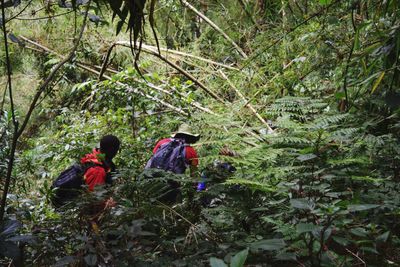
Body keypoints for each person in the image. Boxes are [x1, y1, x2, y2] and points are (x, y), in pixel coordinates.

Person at [51, 135, 120, 207]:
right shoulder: (98, 171)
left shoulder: (93, 156)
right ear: (112, 150)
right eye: (117, 149)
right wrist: (108, 205)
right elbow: (94, 200)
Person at [144, 124, 200, 202]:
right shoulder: (190, 151)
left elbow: (153, 158)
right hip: (171, 184)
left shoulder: (162, 142)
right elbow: (194, 175)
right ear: (190, 138)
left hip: (152, 179)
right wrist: (192, 196)